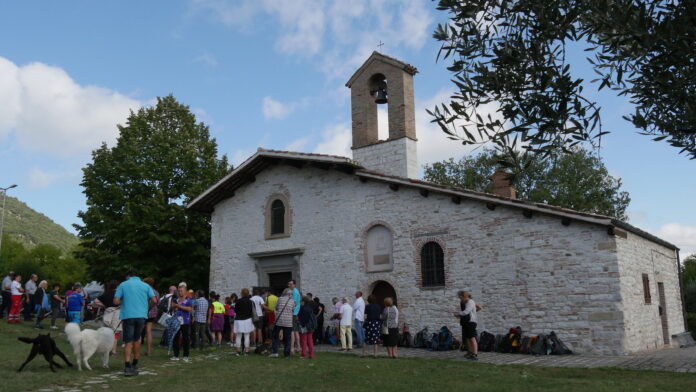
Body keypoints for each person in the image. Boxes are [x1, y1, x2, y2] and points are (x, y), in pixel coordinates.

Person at [114, 269, 156, 376]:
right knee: (137, 339)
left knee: (128, 341)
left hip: (128, 315)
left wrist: (123, 301)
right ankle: (135, 363)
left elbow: (116, 301)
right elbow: (155, 300)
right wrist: (146, 309)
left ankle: (127, 365)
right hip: (141, 315)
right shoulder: (145, 285)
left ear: (128, 276)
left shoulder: (123, 285)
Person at [95, 281, 120, 355]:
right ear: (117, 287)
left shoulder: (106, 293)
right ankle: (113, 350)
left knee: (106, 331)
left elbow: (96, 301)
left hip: (107, 312)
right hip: (117, 312)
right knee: (116, 331)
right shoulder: (118, 294)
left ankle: (105, 348)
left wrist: (103, 305)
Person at [269, 288, 295, 358]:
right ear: (289, 294)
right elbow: (293, 310)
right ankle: (287, 354)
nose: (291, 295)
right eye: (291, 294)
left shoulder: (280, 299)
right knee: (287, 338)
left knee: (275, 336)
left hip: (279, 321)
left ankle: (275, 352)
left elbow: (276, 308)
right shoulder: (292, 301)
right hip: (288, 322)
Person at [171, 283, 193, 362]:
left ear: (185, 292)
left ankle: (185, 356)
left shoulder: (188, 300)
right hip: (176, 321)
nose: (180, 292)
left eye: (181, 291)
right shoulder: (175, 299)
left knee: (185, 338)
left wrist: (178, 306)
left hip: (185, 321)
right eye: (179, 291)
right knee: (175, 338)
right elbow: (173, 307)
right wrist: (173, 306)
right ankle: (176, 355)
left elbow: (189, 309)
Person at [454, 291, 479, 361]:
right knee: (469, 338)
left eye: (460, 297)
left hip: (471, 322)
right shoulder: (467, 302)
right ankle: (471, 353)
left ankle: (475, 355)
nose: (460, 299)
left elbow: (466, 312)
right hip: (467, 322)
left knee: (472, 338)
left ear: (464, 296)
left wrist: (458, 314)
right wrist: (459, 314)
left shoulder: (470, 302)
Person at [233, 288, 254, 355]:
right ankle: (246, 351)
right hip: (247, 319)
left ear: (241, 293)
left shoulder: (238, 301)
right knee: (247, 336)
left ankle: (238, 351)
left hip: (238, 320)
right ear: (248, 293)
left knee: (238, 336)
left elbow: (235, 310)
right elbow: (251, 311)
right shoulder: (250, 301)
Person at [142, 277, 160, 356]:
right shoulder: (156, 292)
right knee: (149, 331)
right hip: (153, 313)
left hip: (143, 312)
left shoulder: (144, 291)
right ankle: (149, 351)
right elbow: (157, 302)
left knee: (139, 331)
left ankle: (134, 349)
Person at [288, 280, 302, 354]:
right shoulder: (296, 291)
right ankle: (298, 347)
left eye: (291, 284)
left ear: (294, 285)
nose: (289, 285)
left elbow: (293, 303)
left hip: (293, 313)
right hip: (295, 313)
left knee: (292, 331)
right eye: (289, 284)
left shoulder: (294, 292)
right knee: (296, 331)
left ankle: (292, 348)